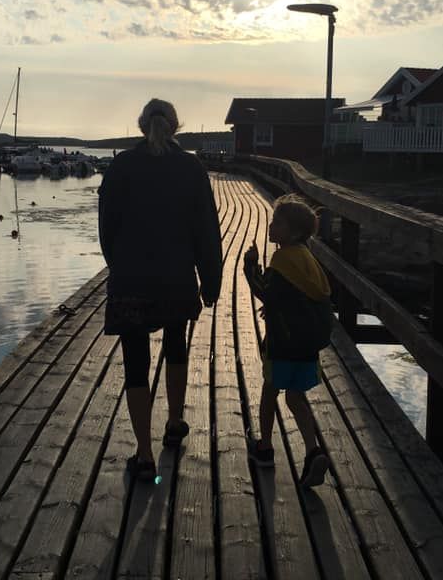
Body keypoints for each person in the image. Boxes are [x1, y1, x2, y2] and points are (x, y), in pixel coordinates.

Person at [98, 98, 223, 482]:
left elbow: (107, 228)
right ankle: (174, 421)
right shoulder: (190, 167)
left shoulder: (120, 166)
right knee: (176, 345)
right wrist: (211, 279)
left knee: (136, 363)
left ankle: (145, 453)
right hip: (176, 278)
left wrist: (118, 265)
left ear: (140, 126)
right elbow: (206, 228)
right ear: (176, 127)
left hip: (131, 279)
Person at [243, 195, 333, 487]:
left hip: (282, 343)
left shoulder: (282, 259)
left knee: (270, 390)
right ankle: (312, 450)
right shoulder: (308, 258)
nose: (271, 226)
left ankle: (265, 447)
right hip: (307, 344)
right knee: (295, 396)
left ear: (293, 232)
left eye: (277, 223)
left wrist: (250, 268)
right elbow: (297, 296)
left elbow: (266, 291)